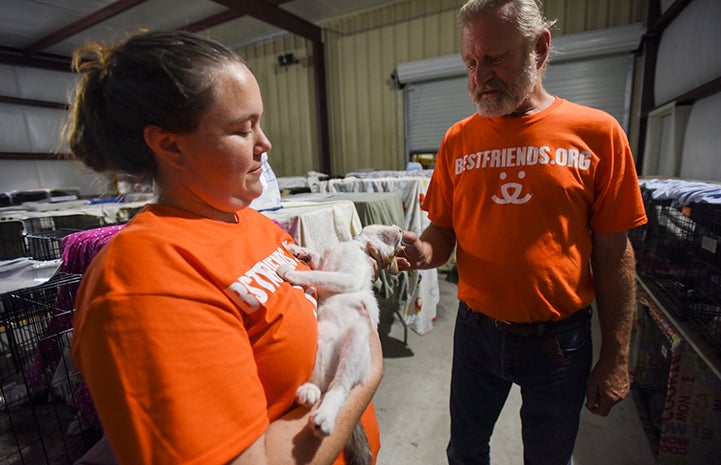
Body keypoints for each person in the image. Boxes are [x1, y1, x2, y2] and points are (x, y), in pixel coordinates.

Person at [66, 30, 382, 465]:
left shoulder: (253, 224)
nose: (265, 143)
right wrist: (365, 372)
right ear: (169, 144)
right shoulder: (144, 278)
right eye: (241, 129)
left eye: (260, 122)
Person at [395, 1, 648, 464]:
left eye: (494, 58)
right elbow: (442, 230)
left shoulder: (598, 134)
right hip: (475, 334)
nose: (480, 77)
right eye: (471, 63)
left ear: (540, 48)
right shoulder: (457, 140)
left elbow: (615, 256)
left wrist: (615, 359)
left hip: (559, 343)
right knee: (466, 451)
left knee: (549, 459)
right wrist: (424, 251)